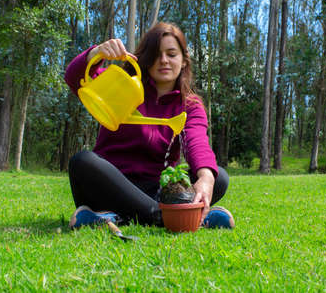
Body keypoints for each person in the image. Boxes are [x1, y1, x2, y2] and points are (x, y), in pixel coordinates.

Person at [64, 22, 234, 229]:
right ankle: (172, 219)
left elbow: (196, 141)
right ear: (146, 59)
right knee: (83, 162)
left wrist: (206, 176)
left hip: (158, 190)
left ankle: (110, 218)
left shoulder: (190, 105)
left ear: (183, 61)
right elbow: (74, 78)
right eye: (156, 54)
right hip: (109, 186)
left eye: (171, 54)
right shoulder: (123, 87)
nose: (163, 60)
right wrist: (97, 53)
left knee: (218, 177)